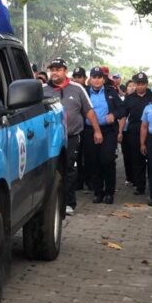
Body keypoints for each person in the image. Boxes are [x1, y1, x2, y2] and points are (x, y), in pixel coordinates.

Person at [48, 58, 103, 215]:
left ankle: (68, 202)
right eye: (52, 69)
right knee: (51, 169)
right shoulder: (43, 89)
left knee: (69, 168)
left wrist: (97, 130)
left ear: (65, 71)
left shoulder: (77, 88)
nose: (54, 72)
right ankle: (51, 202)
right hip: (49, 139)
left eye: (58, 69)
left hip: (71, 136)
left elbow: (89, 111)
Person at [83, 66, 125, 204]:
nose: (96, 80)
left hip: (108, 131)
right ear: (90, 79)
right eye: (94, 77)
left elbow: (122, 108)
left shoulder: (110, 91)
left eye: (99, 77)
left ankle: (109, 192)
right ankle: (98, 191)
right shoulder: (84, 93)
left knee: (107, 160)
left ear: (103, 79)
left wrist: (114, 114)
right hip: (90, 132)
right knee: (94, 161)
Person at [122, 72, 152, 195]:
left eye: (142, 84)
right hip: (134, 132)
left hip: (151, 132)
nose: (140, 86)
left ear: (146, 84)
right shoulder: (129, 98)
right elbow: (124, 115)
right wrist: (120, 132)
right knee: (137, 159)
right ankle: (140, 186)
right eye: (138, 84)